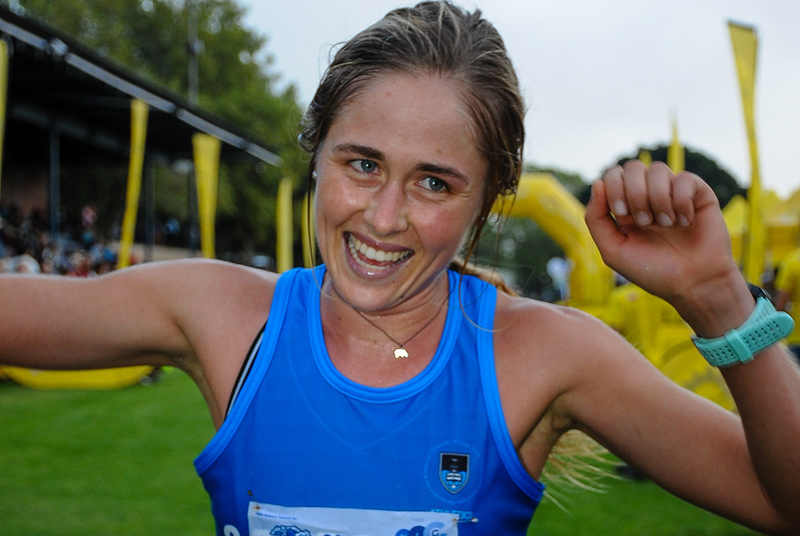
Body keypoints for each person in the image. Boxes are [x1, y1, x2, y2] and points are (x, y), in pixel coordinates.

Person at [2, 2, 799, 534]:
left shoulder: (546, 354)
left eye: (434, 183)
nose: (384, 218)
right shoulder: (221, 315)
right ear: (316, 158)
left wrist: (720, 299)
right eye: (361, 164)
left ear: (488, 202)